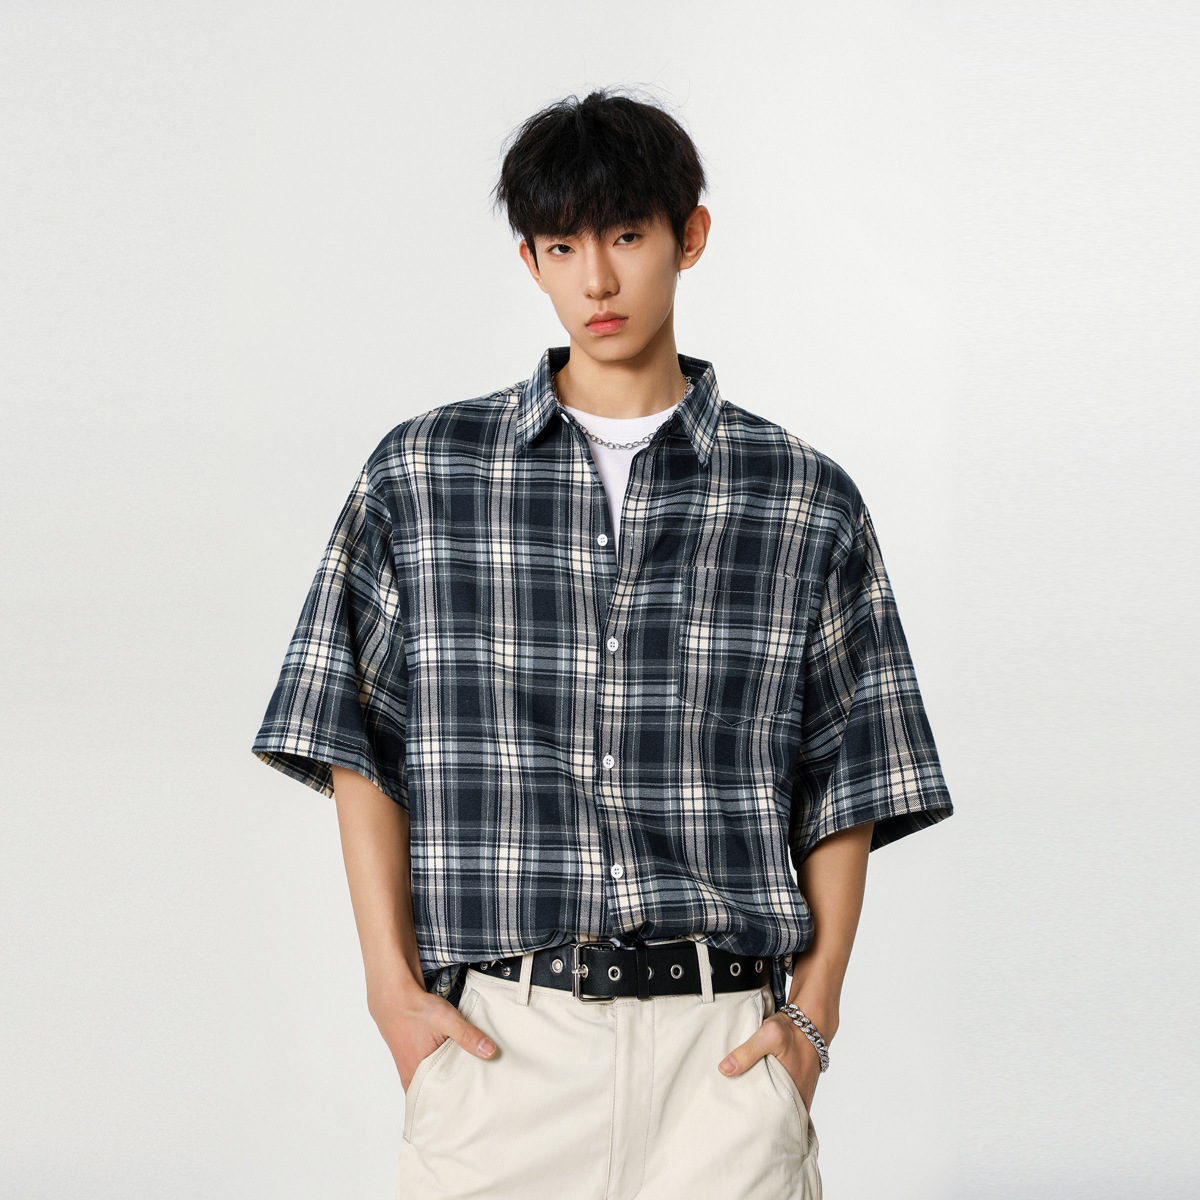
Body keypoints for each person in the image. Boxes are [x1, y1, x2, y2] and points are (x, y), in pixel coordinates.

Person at [251, 86, 954, 1200]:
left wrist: (812, 1019)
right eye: (563, 246)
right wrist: (392, 992)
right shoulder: (424, 477)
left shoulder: (801, 497)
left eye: (626, 236)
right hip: (502, 1051)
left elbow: (853, 775)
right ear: (531, 260)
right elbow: (356, 743)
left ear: (690, 235)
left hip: (723, 1054)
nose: (598, 280)